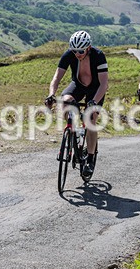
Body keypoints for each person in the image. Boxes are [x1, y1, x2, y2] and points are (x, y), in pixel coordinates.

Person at [45, 30, 108, 178]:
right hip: (78, 85)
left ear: (88, 48)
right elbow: (56, 78)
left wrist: (94, 101)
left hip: (95, 88)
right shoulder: (69, 55)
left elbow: (104, 84)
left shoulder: (98, 56)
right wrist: (51, 94)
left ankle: (91, 158)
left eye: (80, 51)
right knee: (65, 101)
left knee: (90, 118)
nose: (77, 54)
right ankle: (72, 131)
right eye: (74, 51)